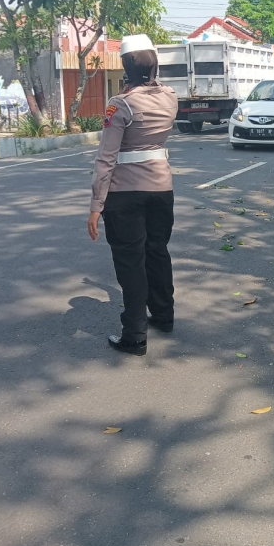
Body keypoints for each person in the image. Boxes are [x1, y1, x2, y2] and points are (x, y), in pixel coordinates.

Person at [87, 34, 179, 356]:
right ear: (154, 63)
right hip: (161, 189)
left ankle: (135, 336)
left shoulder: (120, 104)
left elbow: (106, 158)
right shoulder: (170, 97)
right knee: (157, 251)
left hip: (125, 194)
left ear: (125, 65)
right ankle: (163, 315)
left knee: (131, 261)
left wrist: (96, 205)